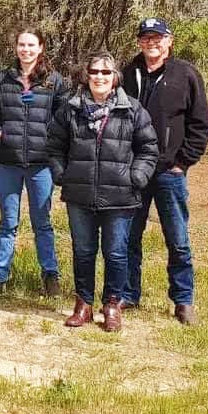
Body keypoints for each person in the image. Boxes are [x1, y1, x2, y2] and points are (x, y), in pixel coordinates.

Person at [47, 51, 158, 332]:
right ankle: (82, 304)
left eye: (106, 73)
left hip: (120, 196)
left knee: (116, 253)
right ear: (87, 75)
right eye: (94, 72)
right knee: (83, 251)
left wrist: (137, 176)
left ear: (115, 78)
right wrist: (62, 174)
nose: (99, 77)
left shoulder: (132, 109)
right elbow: (54, 146)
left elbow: (148, 149)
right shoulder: (70, 109)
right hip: (80, 195)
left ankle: (111, 305)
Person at [122, 18, 208, 325]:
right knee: (128, 237)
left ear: (169, 41)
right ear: (139, 42)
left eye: (158, 38)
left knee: (177, 239)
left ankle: (183, 301)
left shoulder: (185, 75)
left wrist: (182, 162)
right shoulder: (127, 73)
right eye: (146, 38)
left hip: (167, 172)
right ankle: (128, 294)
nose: (153, 43)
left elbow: (201, 124)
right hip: (133, 170)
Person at [0, 28, 67, 295]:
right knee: (8, 222)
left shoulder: (54, 81)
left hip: (41, 164)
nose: (25, 49)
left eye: (31, 45)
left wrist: (50, 141)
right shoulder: (2, 79)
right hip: (7, 162)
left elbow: (64, 119)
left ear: (40, 48)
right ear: (16, 48)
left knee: (42, 221)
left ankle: (50, 276)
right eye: (21, 44)